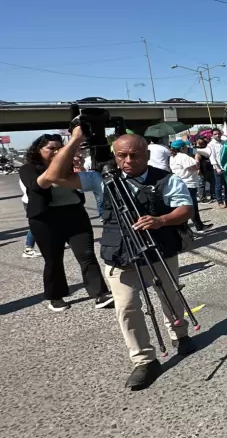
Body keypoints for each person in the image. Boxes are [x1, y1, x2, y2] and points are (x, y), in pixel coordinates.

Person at [42, 130, 197, 389]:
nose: (127, 161)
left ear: (147, 156)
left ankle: (179, 334)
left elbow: (185, 210)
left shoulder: (167, 180)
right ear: (114, 156)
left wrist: (161, 220)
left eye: (135, 155)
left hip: (159, 249)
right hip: (119, 254)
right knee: (126, 307)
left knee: (171, 297)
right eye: (121, 155)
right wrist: (75, 140)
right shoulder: (101, 180)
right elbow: (52, 177)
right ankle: (144, 361)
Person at [18, 134, 114, 312]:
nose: (56, 151)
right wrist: (58, 164)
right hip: (45, 218)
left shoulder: (68, 165)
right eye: (51, 148)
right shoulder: (28, 168)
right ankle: (55, 296)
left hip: (74, 213)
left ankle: (100, 294)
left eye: (59, 148)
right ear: (38, 151)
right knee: (53, 259)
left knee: (86, 254)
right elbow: (38, 186)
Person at [169, 140, 209, 232]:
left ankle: (197, 226)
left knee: (188, 206)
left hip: (181, 183)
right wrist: (197, 157)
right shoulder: (182, 156)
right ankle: (189, 229)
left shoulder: (173, 156)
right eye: (186, 147)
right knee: (191, 207)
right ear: (182, 148)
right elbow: (195, 166)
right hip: (188, 184)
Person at [206, 128, 227, 208]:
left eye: (218, 133)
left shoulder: (224, 142)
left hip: (226, 166)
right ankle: (220, 201)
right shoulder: (210, 145)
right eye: (215, 134)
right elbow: (212, 157)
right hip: (218, 167)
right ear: (212, 135)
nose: (217, 135)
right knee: (219, 185)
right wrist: (217, 167)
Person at [18, 179, 40, 258]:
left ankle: (55, 243)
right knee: (36, 224)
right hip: (32, 201)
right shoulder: (29, 172)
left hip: (30, 200)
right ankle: (28, 249)